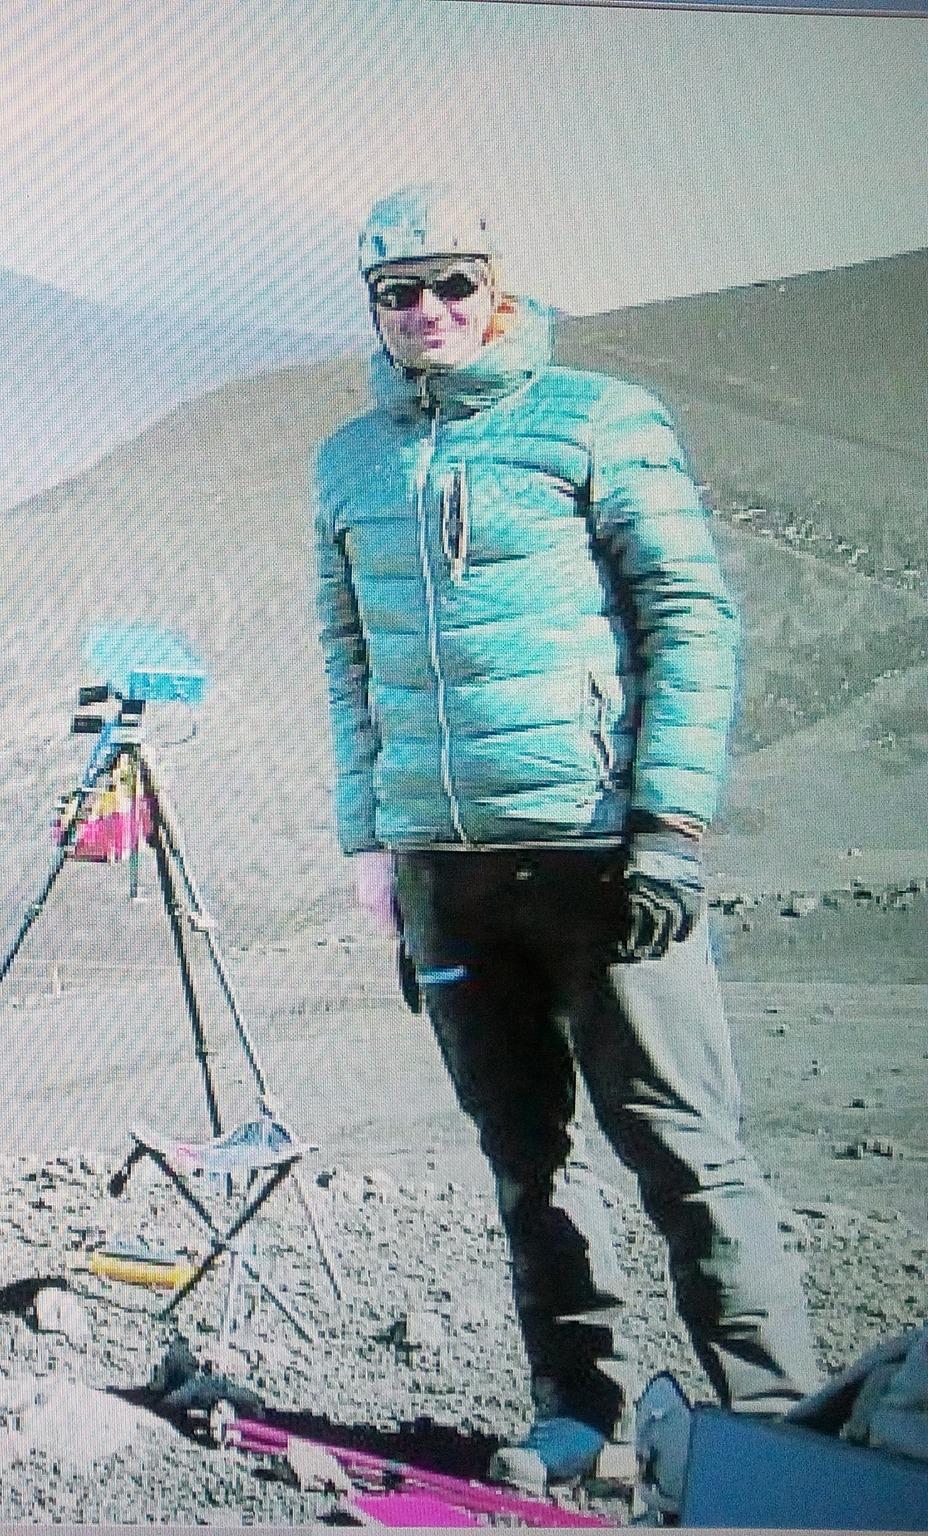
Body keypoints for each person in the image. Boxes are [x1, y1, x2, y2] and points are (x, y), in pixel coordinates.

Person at [312, 184, 821, 1485]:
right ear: (374, 306)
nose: (426, 312)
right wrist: (373, 844)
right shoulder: (352, 458)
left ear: (501, 291)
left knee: (684, 1149)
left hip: (599, 855)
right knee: (525, 1160)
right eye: (398, 293)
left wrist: (669, 823)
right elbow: (348, 655)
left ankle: (775, 1430)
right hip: (447, 870)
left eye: (451, 287)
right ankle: (575, 1416)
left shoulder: (597, 421)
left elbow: (692, 618)